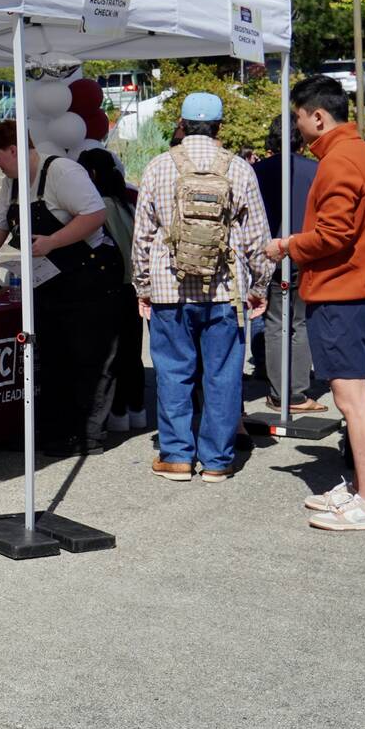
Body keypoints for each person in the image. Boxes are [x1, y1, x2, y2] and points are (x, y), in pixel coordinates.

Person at [266, 76, 365, 532]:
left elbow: (334, 235)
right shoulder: (359, 153)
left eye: (299, 120)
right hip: (351, 291)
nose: (298, 129)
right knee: (355, 395)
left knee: (352, 397)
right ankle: (363, 489)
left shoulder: (340, 161)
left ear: (318, 116)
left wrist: (286, 246)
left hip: (342, 293)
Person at [130, 94, 274, 483]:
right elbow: (258, 237)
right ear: (219, 127)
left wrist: (143, 285)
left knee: (174, 372)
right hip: (225, 290)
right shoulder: (240, 169)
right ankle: (217, 460)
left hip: (169, 288)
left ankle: (176, 456)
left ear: (181, 124)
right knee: (223, 374)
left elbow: (142, 235)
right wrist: (259, 285)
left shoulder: (159, 166)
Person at [0, 119, 121, 455]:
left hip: (90, 275)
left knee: (87, 355)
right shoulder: (14, 183)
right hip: (51, 280)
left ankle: (88, 434)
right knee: (52, 354)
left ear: (15, 149)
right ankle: (54, 430)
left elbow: (94, 214)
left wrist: (52, 241)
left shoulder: (62, 172)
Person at [250, 118, 322, 414]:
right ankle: (297, 391)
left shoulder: (257, 171)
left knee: (275, 322)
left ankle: (280, 391)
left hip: (267, 252)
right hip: (305, 252)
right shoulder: (316, 171)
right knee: (300, 322)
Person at [78, 148, 147, 437]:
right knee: (132, 353)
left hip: (110, 288)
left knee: (111, 356)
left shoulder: (97, 209)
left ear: (91, 175)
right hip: (134, 287)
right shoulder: (127, 203)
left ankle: (115, 412)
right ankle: (136, 410)